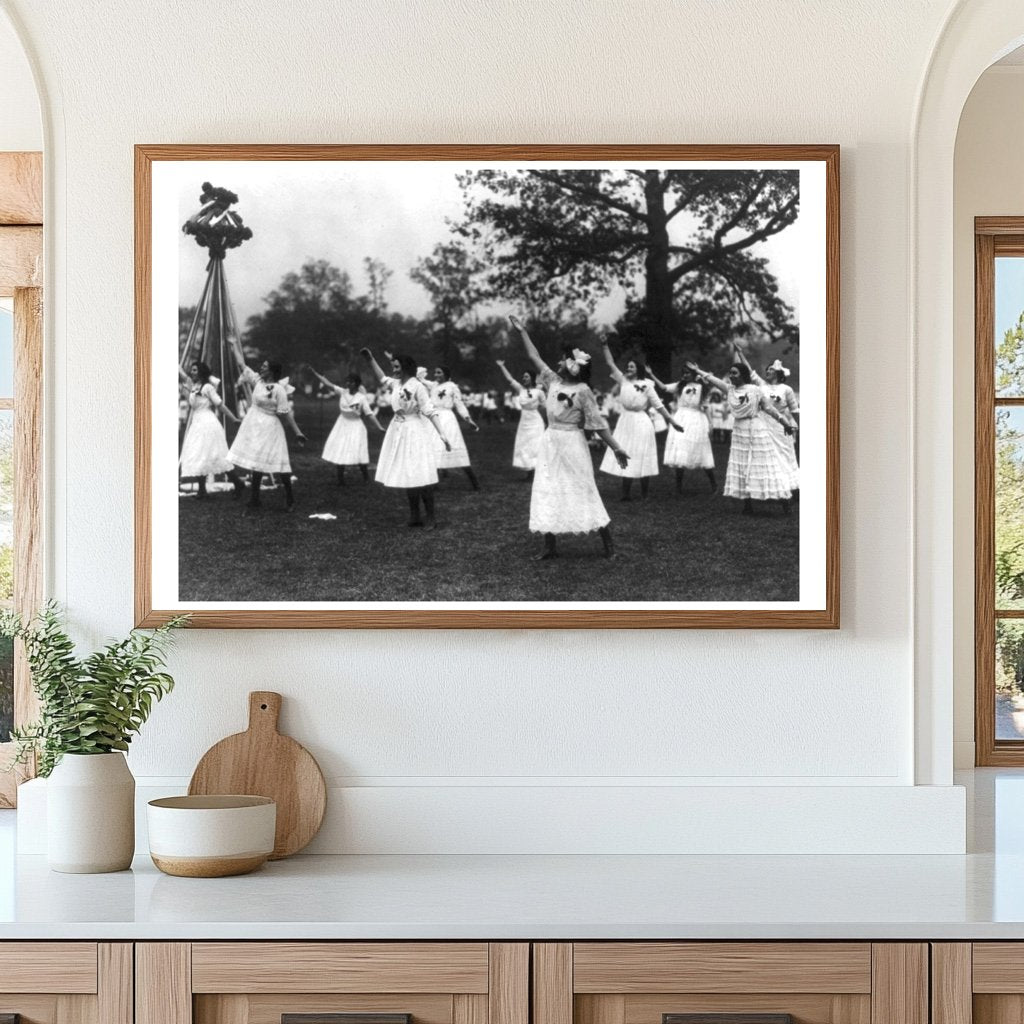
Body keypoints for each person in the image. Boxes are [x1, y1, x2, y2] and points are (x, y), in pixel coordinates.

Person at [508, 314, 629, 559]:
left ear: (572, 365)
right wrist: (522, 331)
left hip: (573, 443)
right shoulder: (552, 381)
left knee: (583, 488)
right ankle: (549, 546)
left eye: (563, 359)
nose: (558, 362)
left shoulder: (583, 391)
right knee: (547, 488)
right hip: (550, 441)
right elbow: (534, 356)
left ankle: (608, 544)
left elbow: (598, 425)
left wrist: (616, 448)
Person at [685, 358, 796, 514]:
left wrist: (786, 424)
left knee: (766, 465)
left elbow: (770, 409)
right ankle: (747, 506)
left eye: (735, 373)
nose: (731, 375)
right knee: (743, 465)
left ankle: (785, 503)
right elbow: (713, 380)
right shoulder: (730, 389)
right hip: (739, 431)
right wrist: (697, 370)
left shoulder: (754, 390)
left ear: (743, 374)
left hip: (757, 429)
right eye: (730, 373)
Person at [362, 347, 451, 529]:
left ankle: (431, 517)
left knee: (420, 474)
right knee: (407, 473)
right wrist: (371, 359)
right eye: (393, 367)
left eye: (397, 367)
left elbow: (429, 410)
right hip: (398, 430)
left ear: (406, 367)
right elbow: (381, 377)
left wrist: (442, 434)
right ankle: (415, 516)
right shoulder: (396, 384)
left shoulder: (417, 386)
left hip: (415, 432)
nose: (394, 370)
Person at [598, 343, 681, 500]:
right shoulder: (623, 380)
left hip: (641, 421)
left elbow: (658, 404)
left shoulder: (647, 385)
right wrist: (604, 345)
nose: (628, 369)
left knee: (643, 454)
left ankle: (644, 494)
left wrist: (671, 420)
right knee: (625, 451)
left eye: (632, 367)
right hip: (625, 421)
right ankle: (626, 494)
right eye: (627, 367)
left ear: (638, 369)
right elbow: (610, 363)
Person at [228, 359, 307, 511]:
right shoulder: (257, 381)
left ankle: (290, 500)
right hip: (254, 425)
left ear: (271, 371)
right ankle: (255, 499)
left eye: (264, 366)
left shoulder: (279, 389)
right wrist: (233, 343)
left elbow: (286, 413)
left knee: (280, 463)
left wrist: (298, 432)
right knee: (256, 461)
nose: (261, 368)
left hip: (271, 427)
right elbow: (242, 365)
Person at [733, 346, 800, 493]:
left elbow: (794, 410)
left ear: (778, 373)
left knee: (783, 456)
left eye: (770, 369)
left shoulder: (786, 389)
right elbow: (749, 370)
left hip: (780, 427)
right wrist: (740, 353)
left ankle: (790, 487)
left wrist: (800, 426)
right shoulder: (762, 385)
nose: (767, 371)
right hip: (762, 426)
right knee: (764, 457)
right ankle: (769, 488)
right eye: (767, 369)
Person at [178, 362, 243, 499]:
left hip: (208, 423)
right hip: (197, 423)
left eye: (195, 370)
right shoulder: (193, 386)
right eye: (191, 370)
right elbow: (183, 376)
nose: (192, 372)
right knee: (198, 454)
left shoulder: (207, 387)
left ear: (201, 372)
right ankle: (202, 490)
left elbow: (220, 405)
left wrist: (234, 419)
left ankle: (238, 483)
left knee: (216, 455)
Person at [310, 368, 384, 484]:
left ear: (357, 384)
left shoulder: (361, 397)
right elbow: (328, 384)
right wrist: (316, 374)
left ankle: (365, 476)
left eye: (351, 382)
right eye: (347, 381)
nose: (348, 384)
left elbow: (370, 414)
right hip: (342, 424)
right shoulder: (342, 391)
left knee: (358, 450)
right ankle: (340, 479)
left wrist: (379, 427)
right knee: (341, 449)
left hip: (356, 425)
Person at [650, 366, 717, 494]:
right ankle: (678, 487)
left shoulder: (701, 387)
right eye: (684, 373)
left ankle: (713, 483)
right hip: (681, 418)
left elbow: (705, 406)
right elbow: (664, 387)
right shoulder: (680, 385)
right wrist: (651, 374)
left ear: (693, 374)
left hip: (696, 419)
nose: (685, 376)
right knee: (680, 449)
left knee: (701, 450)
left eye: (687, 373)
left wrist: (710, 423)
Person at [496, 359, 546, 480]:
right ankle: (529, 471)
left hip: (535, 421)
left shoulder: (539, 392)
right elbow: (510, 379)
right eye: (523, 377)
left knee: (536, 445)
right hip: (524, 422)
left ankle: (537, 471)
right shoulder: (521, 390)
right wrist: (502, 366)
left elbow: (546, 406)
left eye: (527, 377)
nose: (524, 378)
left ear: (532, 378)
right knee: (524, 445)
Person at [431, 366, 480, 490]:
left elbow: (459, 404)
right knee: (435, 447)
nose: (436, 375)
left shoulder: (453, 387)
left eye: (439, 372)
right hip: (435, 418)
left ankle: (474, 482)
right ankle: (434, 484)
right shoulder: (433, 386)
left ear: (445, 374)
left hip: (448, 419)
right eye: (435, 372)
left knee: (454, 446)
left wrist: (468, 419)